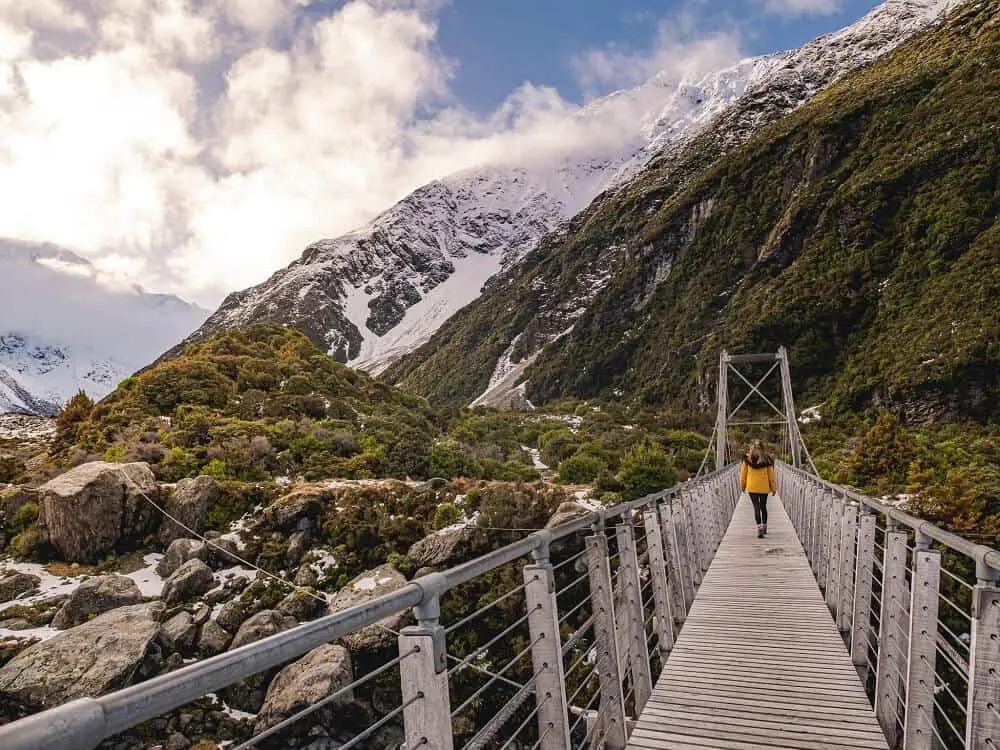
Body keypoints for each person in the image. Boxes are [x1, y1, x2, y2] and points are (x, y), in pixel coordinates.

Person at [740, 440, 776, 538]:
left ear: (752, 447)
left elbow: (743, 475)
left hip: (752, 487)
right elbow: (771, 476)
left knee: (756, 507)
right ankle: (764, 527)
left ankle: (759, 527)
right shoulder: (767, 460)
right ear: (762, 447)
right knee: (763, 506)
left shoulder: (747, 459)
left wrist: (743, 486)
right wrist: (773, 488)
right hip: (764, 487)